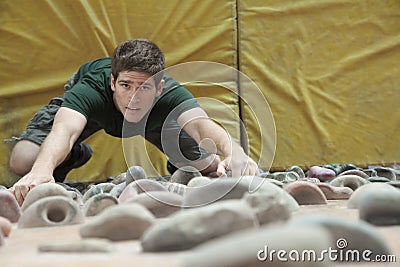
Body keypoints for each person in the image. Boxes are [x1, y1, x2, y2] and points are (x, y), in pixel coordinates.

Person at [9, 39, 259, 204]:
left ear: (159, 87)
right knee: (25, 160)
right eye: (126, 85)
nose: (134, 97)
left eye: (145, 88)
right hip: (97, 112)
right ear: (112, 82)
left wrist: (234, 152)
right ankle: (72, 156)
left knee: (208, 164)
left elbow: (200, 125)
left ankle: (183, 163)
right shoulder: (91, 89)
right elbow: (65, 128)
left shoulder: (171, 94)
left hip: (153, 120)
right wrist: (42, 170)